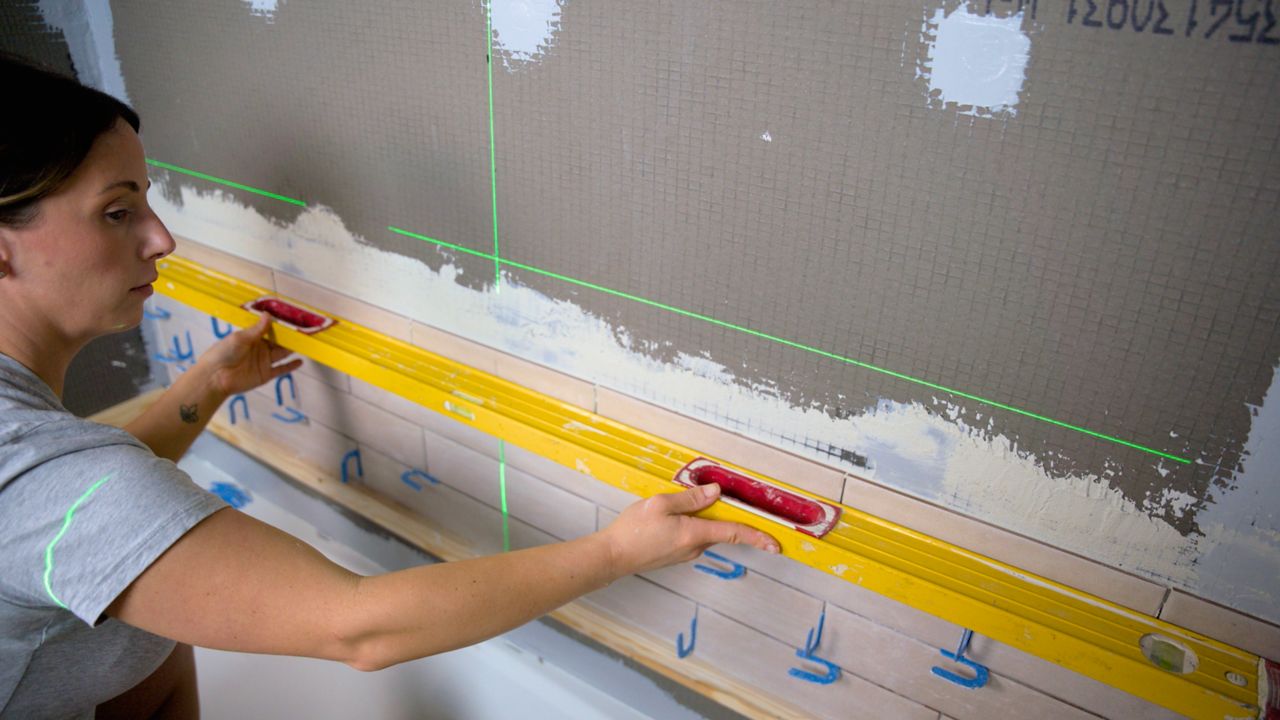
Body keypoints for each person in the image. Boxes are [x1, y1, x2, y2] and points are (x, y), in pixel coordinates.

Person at [0, 53, 780, 719]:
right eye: (115, 212)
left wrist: (205, 388)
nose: (161, 237)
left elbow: (72, 521)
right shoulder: (53, 477)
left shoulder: (37, 465)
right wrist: (616, 550)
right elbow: (358, 627)